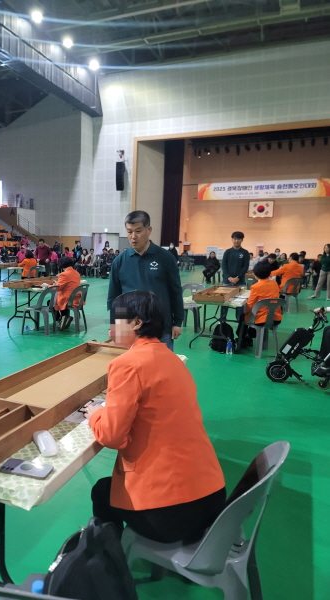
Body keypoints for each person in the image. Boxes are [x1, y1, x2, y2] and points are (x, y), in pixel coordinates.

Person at [86, 290, 225, 543]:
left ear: (136, 323)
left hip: (169, 512)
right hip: (212, 499)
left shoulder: (127, 364)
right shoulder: (172, 359)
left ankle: (109, 558)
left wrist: (96, 414)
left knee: (102, 492)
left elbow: (112, 436)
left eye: (115, 321)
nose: (110, 330)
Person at [107, 210, 184, 351]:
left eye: (138, 231)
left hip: (161, 328)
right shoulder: (119, 261)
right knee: (133, 364)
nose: (133, 237)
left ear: (149, 230)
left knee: (161, 364)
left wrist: (177, 322)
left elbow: (175, 291)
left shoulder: (165, 258)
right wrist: (114, 325)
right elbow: (114, 296)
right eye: (129, 232)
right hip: (131, 330)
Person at [236, 261, 282, 347]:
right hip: (275, 317)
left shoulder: (255, 287)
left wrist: (246, 312)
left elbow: (250, 305)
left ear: (255, 274)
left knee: (243, 316)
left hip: (261, 319)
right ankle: (251, 335)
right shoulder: (275, 284)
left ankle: (241, 338)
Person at [221, 231, 250, 319]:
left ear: (242, 240)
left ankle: (240, 321)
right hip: (227, 282)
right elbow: (224, 265)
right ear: (232, 239)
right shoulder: (227, 252)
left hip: (240, 282)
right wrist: (228, 277)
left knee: (240, 304)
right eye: (235, 239)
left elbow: (245, 267)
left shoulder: (245, 253)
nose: (236, 241)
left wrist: (238, 278)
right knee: (224, 302)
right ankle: (222, 321)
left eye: (238, 239)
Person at [47, 256, 81, 330]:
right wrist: (57, 283)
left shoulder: (63, 274)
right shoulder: (76, 273)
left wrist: (46, 286)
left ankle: (60, 320)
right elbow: (67, 284)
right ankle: (65, 318)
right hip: (77, 299)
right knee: (60, 299)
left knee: (50, 302)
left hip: (68, 300)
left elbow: (58, 288)